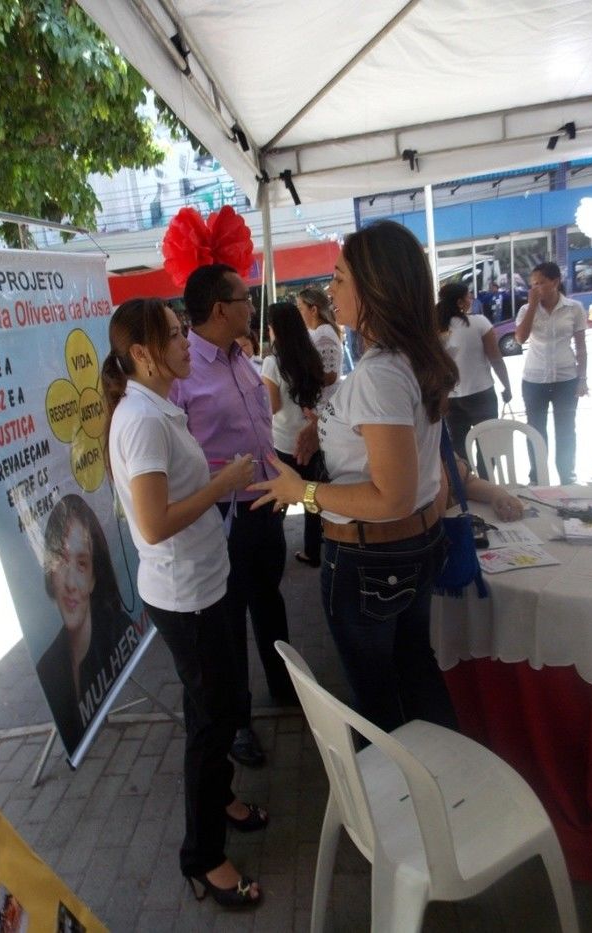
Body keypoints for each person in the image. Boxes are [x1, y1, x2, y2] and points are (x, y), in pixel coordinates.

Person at [250, 220, 459, 734]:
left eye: (341, 278)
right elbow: (412, 458)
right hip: (410, 547)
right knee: (414, 670)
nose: (331, 289)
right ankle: (442, 770)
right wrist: (323, 426)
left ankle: (394, 785)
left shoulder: (381, 373)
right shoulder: (408, 358)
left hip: (372, 558)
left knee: (378, 702)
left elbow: (391, 496)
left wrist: (302, 492)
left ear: (375, 289)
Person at [103, 297, 264, 909]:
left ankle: (221, 798)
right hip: (186, 595)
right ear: (143, 354)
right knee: (212, 720)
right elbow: (152, 523)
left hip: (203, 582)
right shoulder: (143, 420)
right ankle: (203, 857)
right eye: (173, 334)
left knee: (214, 708)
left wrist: (214, 476)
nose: (184, 341)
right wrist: (223, 483)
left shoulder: (157, 406)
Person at [171, 264, 297, 769]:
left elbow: (260, 426)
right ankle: (239, 722)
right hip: (225, 518)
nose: (253, 305)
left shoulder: (241, 357)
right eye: (245, 298)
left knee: (270, 601)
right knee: (229, 622)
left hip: (265, 503)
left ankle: (287, 687)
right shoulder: (183, 372)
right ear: (221, 309)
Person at [37, 494, 134, 755]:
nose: (70, 583)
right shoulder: (47, 668)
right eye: (60, 560)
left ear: (93, 578)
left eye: (81, 564)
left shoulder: (121, 634)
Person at [261, 301, 325, 567]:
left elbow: (272, 406)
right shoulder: (312, 355)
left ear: (274, 329)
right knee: (312, 498)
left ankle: (271, 559)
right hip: (314, 439)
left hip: (285, 443)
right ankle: (313, 551)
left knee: (279, 503)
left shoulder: (271, 362)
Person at [515, 261, 588, 485]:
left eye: (540, 283)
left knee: (566, 430)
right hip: (534, 380)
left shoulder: (574, 308)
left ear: (555, 282)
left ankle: (568, 477)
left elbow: (581, 347)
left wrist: (582, 379)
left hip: (566, 379)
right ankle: (537, 478)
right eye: (533, 284)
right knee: (535, 431)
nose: (535, 288)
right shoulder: (526, 310)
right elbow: (520, 338)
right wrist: (532, 306)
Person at [437, 282, 512, 474]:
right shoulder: (479, 323)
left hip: (451, 398)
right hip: (481, 393)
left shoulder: (435, 328)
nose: (471, 299)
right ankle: (487, 484)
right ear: (460, 302)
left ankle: (466, 486)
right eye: (468, 296)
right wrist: (507, 386)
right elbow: (495, 358)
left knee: (459, 448)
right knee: (488, 446)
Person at [297, 285, 344, 407]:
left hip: (326, 405)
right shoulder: (314, 332)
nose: (298, 314)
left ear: (313, 310)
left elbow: (330, 376)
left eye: (300, 309)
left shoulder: (324, 334)